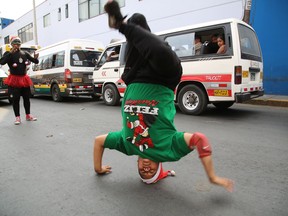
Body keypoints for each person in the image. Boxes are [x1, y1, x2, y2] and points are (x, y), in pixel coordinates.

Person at [93, 0, 233, 192]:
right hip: (164, 78)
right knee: (160, 51)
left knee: (137, 19)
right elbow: (200, 139)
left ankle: (124, 24)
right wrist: (212, 176)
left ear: (137, 165)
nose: (146, 169)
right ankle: (121, 25)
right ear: (160, 165)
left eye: (142, 172)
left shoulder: (127, 146)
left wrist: (98, 168)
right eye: (151, 172)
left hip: (135, 77)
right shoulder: (168, 149)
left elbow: (99, 141)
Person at [0, 36, 39, 125]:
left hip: (24, 79)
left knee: (26, 98)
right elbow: (2, 62)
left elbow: (35, 61)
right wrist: (10, 52)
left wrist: (36, 58)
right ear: (12, 44)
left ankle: (28, 115)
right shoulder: (8, 53)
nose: (17, 45)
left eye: (18, 44)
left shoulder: (24, 53)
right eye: (15, 44)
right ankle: (17, 118)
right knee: (15, 99)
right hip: (14, 79)